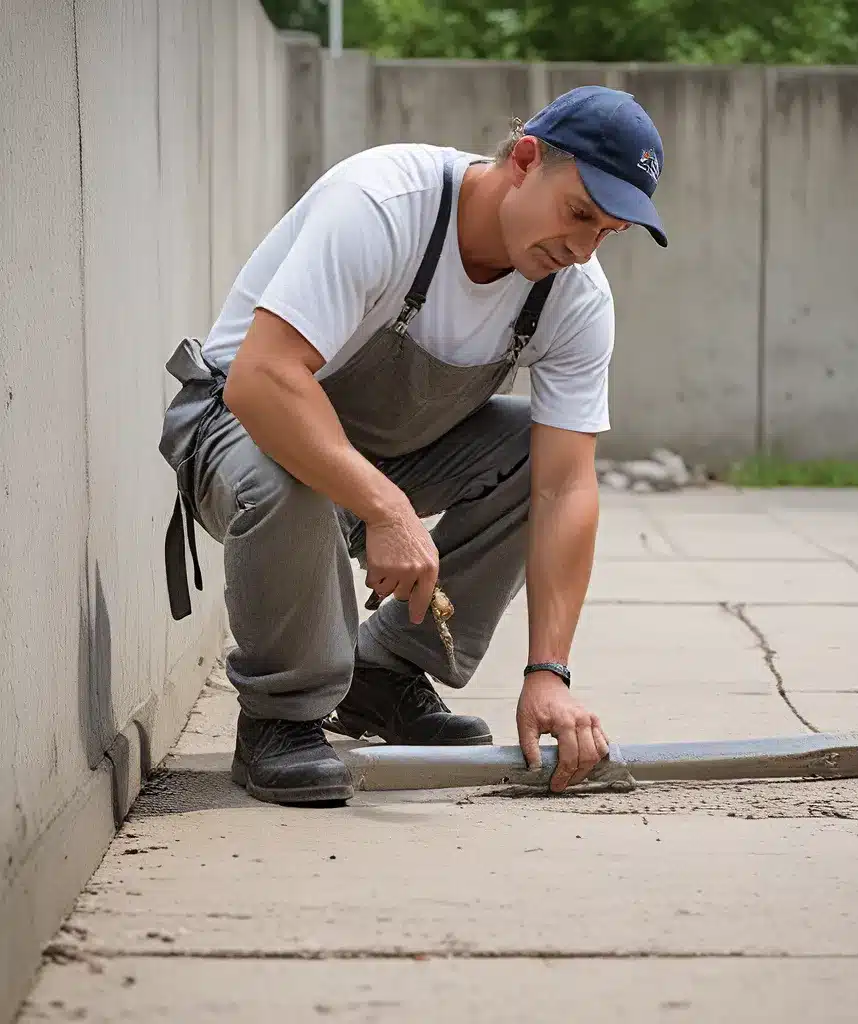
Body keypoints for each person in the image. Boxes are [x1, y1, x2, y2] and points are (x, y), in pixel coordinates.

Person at [158, 85, 668, 806]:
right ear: (525, 159)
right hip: (236, 427)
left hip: (384, 446)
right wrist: (384, 507)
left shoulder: (574, 294)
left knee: (538, 452)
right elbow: (264, 379)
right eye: (579, 213)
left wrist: (548, 672)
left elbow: (565, 489)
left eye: (606, 233)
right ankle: (282, 718)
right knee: (287, 479)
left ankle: (386, 670)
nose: (582, 249)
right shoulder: (385, 205)